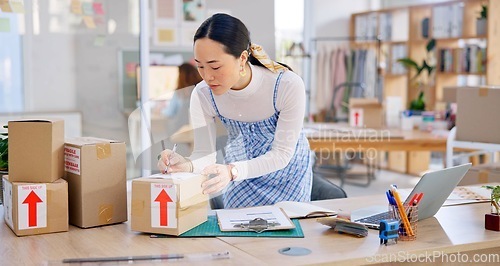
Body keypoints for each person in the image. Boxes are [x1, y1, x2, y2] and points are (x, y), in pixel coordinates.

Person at [157, 13, 312, 209]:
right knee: (237, 233)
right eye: (200, 67)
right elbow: (204, 154)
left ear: (242, 58)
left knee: (286, 233)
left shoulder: (286, 85)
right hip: (238, 174)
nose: (207, 77)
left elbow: (281, 154)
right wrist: (185, 165)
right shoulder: (203, 94)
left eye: (215, 66)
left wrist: (232, 171)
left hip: (286, 175)